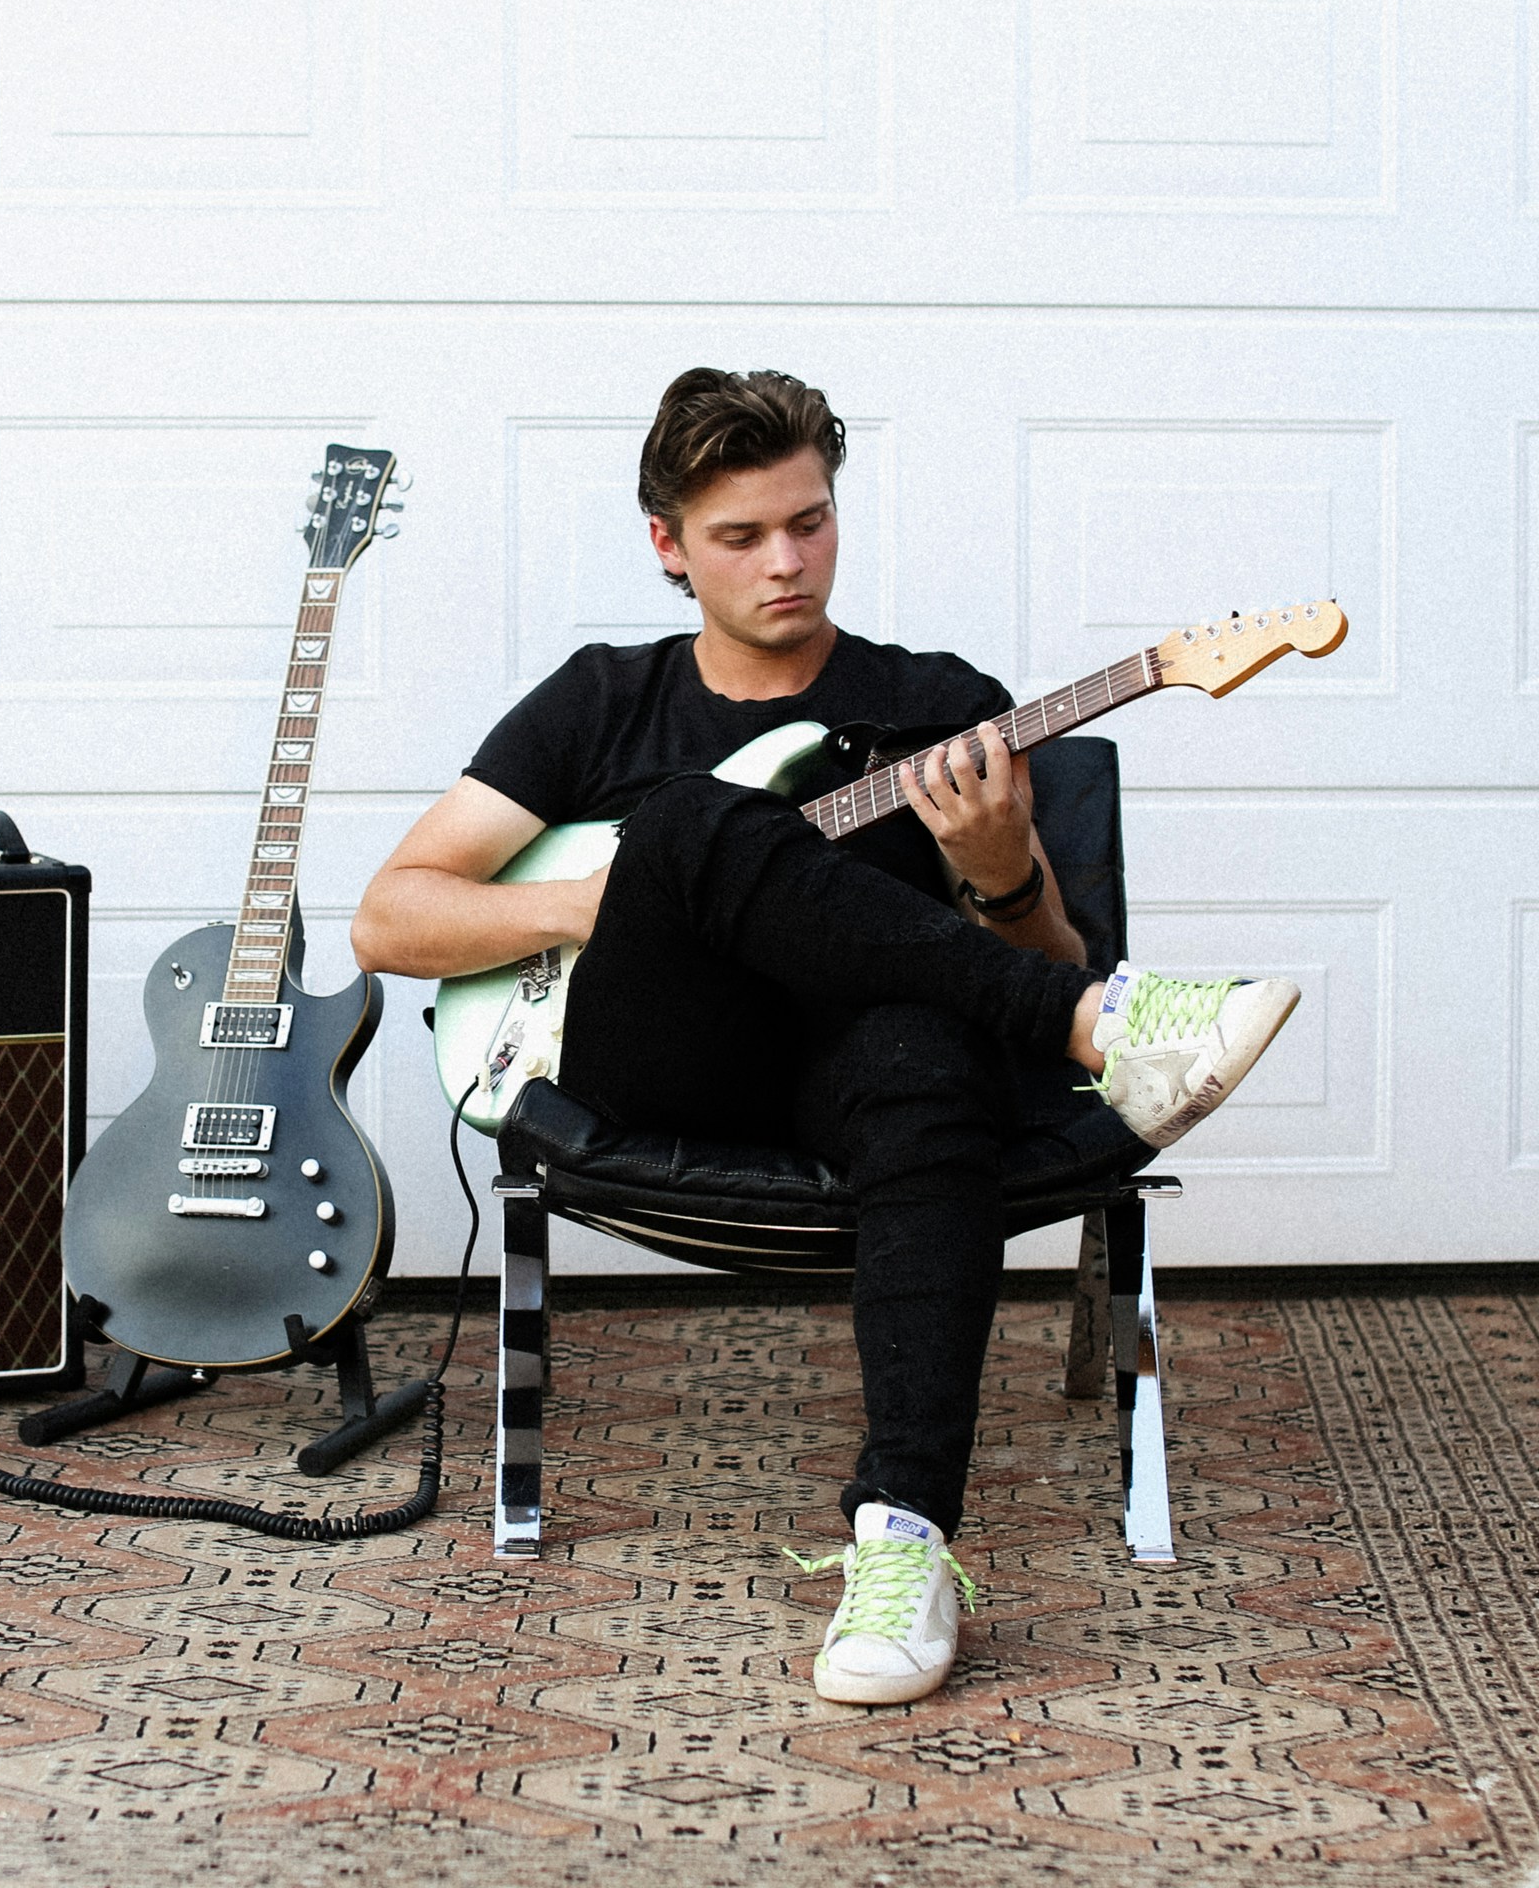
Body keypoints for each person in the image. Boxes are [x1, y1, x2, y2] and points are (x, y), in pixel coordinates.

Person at [349, 368, 1297, 1706]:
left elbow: (1032, 944)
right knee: (684, 823)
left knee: (924, 1051)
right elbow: (388, 917)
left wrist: (1002, 874)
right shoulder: (604, 701)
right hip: (660, 1059)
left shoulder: (939, 702)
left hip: (864, 1081)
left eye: (811, 521)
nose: (786, 562)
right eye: (740, 536)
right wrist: (616, 902)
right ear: (669, 547)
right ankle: (1113, 1035)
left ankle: (903, 1542)